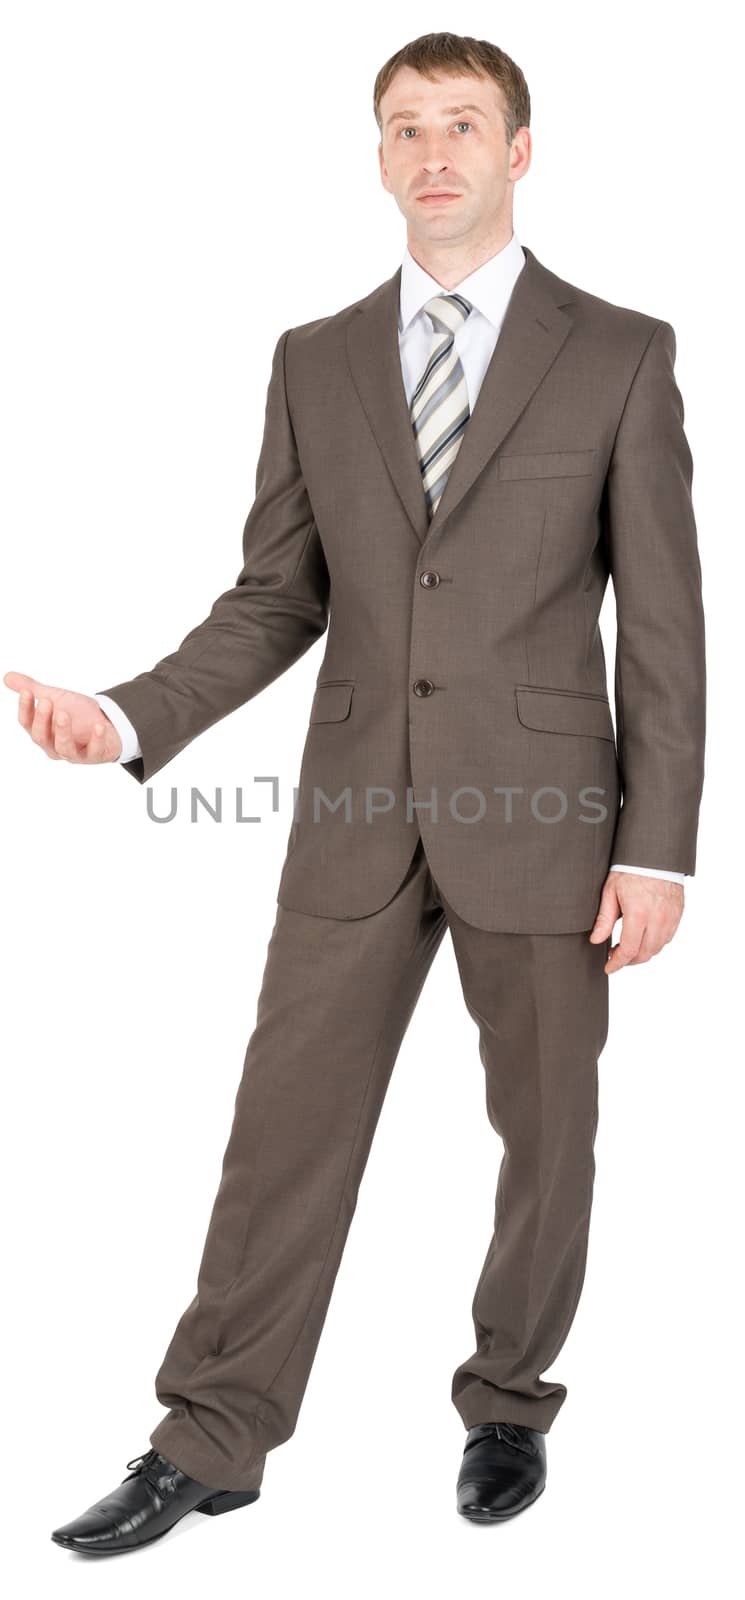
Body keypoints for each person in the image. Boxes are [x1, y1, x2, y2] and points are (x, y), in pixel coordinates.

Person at [4, 30, 706, 1553]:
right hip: (350, 817)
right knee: (283, 1128)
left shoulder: (620, 350)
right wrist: (129, 717)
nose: (433, 150)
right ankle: (212, 1438)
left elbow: (660, 622)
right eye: (405, 128)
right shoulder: (313, 359)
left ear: (519, 152)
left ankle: (509, 1400)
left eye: (463, 124)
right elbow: (275, 596)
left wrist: (660, 850)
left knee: (546, 1131)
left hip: (550, 825)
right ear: (378, 157)